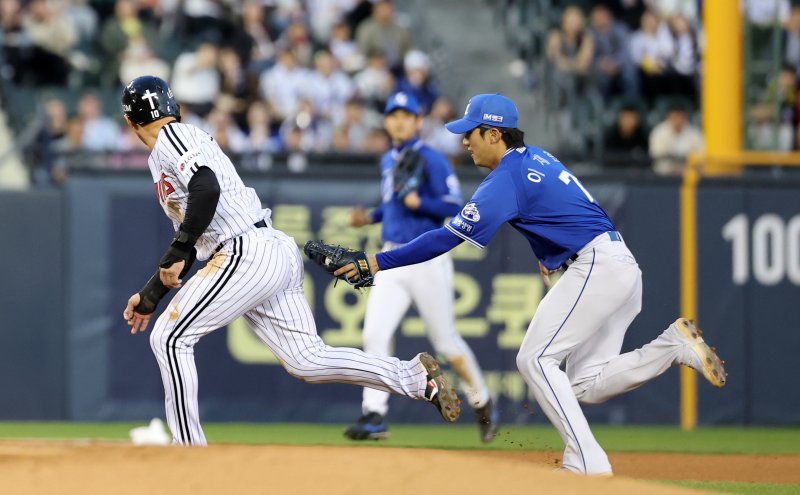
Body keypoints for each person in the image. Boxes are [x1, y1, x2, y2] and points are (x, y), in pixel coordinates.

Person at [334, 93, 727, 475]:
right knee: (584, 384)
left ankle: (587, 462)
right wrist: (549, 254)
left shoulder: (505, 178)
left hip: (595, 265)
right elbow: (564, 209)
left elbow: (445, 238)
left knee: (534, 359)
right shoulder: (537, 157)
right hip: (616, 263)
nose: (464, 140)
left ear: (494, 134)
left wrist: (376, 261)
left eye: (470, 132)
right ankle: (672, 346)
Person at [119, 76, 460, 445]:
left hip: (244, 250)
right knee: (307, 360)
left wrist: (177, 250)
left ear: (130, 122)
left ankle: (189, 454)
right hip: (266, 249)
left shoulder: (174, 137)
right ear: (175, 106)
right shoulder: (172, 149)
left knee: (170, 338)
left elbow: (206, 189)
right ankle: (413, 377)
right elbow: (193, 230)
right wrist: (151, 293)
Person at [345, 92, 497, 442]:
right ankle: (374, 414)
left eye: (406, 115)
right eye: (393, 114)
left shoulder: (433, 158)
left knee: (445, 340)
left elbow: (453, 204)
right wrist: (369, 217)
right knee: (375, 334)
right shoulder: (388, 159)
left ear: (417, 121)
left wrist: (420, 202)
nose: (399, 120)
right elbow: (392, 205)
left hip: (427, 258)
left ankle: (482, 400)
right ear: (386, 121)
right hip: (391, 259)